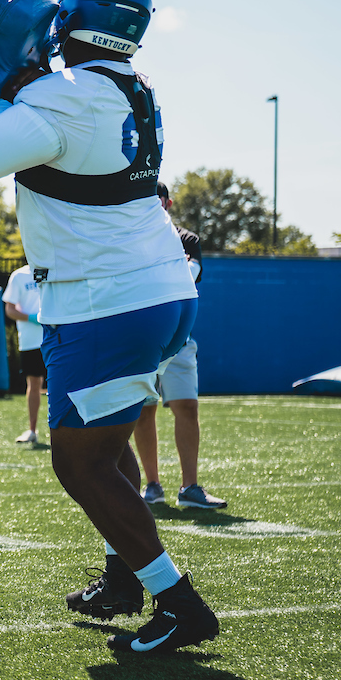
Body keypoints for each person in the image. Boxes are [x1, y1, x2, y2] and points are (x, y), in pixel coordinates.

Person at [0, 0, 219, 653]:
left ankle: (178, 602)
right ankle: (122, 578)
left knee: (78, 462)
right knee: (105, 445)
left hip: (106, 299)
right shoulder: (132, 85)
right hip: (155, 290)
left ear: (73, 14)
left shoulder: (69, 93)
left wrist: (4, 91)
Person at [136, 182, 227, 509]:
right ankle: (152, 485)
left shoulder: (187, 239)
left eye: (157, 197)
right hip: (145, 342)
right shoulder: (132, 240)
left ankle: (190, 487)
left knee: (187, 407)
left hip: (181, 340)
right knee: (143, 412)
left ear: (168, 202)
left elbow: (188, 276)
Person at [3, 264, 45, 444]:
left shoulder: (56, 269)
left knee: (63, 384)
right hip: (30, 341)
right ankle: (32, 430)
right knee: (34, 383)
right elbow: (10, 309)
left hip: (57, 338)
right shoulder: (19, 276)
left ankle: (66, 431)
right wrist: (31, 318)